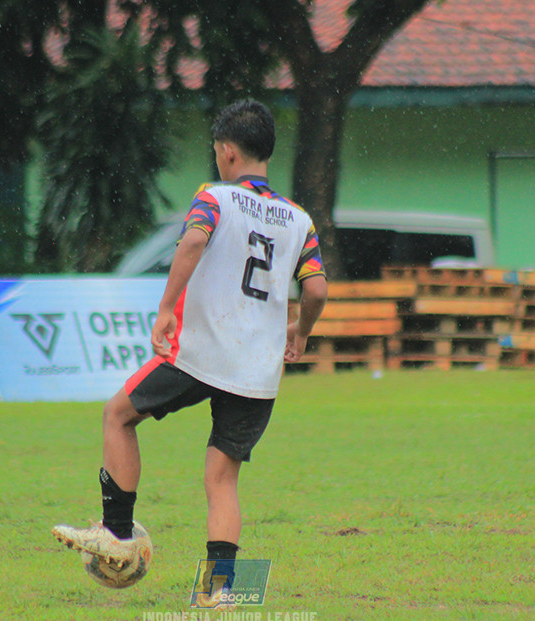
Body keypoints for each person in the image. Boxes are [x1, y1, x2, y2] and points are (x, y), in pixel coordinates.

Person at [52, 99, 329, 591]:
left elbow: (195, 240)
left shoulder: (215, 197)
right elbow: (317, 289)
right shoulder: (298, 220)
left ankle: (116, 532)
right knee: (222, 480)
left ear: (226, 152)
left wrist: (165, 308)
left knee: (118, 414)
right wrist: (301, 330)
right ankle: (220, 591)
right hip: (257, 370)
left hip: (201, 353)